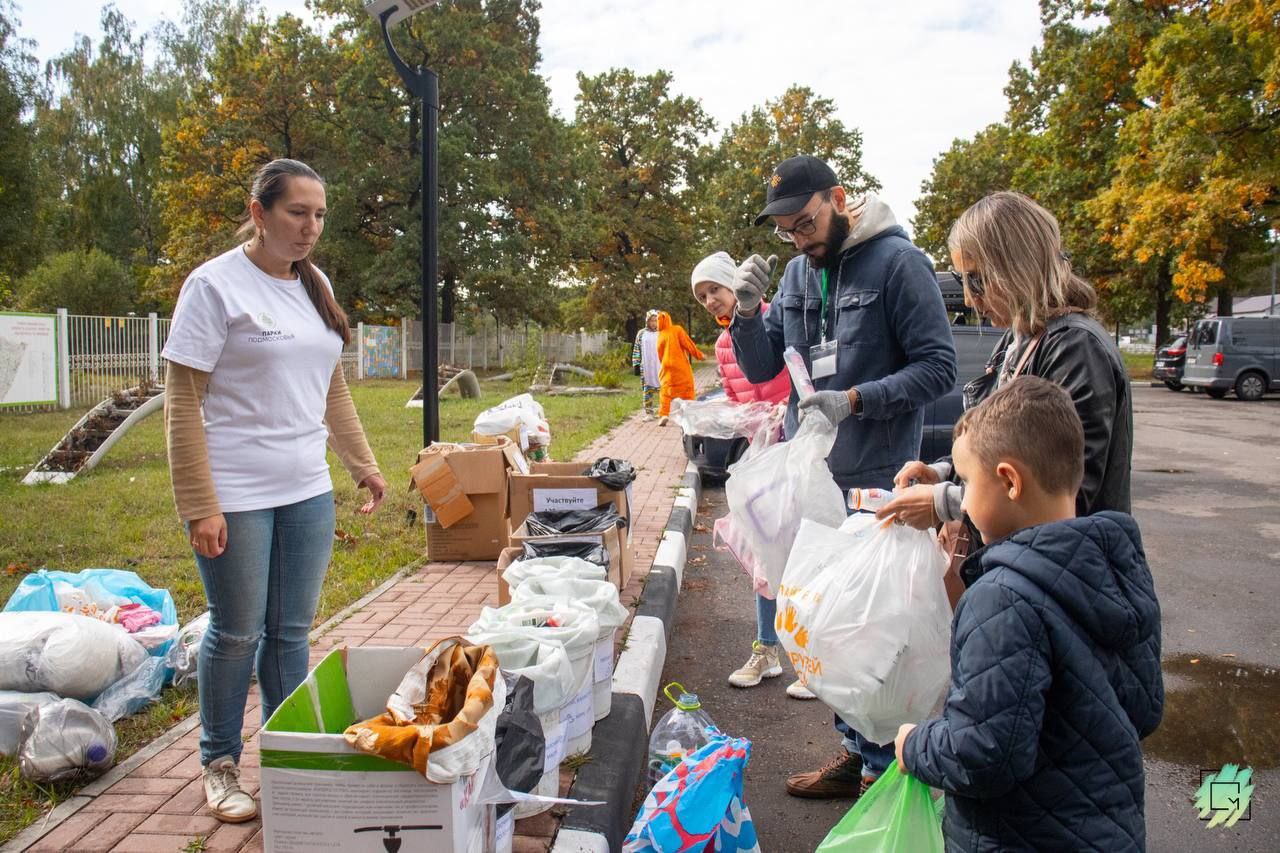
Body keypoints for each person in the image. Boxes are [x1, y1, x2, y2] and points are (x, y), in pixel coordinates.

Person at [162, 158, 387, 823]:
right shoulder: (213, 286)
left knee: (289, 633)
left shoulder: (315, 283)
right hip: (235, 491)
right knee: (236, 632)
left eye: (319, 215)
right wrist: (199, 504)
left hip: (306, 489)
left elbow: (330, 386)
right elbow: (182, 402)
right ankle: (219, 762)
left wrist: (362, 464)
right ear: (259, 213)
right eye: (297, 212)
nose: (311, 226)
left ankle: (293, 757)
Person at [729, 155, 956, 799]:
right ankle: (857, 755)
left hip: (882, 485)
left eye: (805, 223)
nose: (799, 239)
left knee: (877, 640)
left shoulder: (898, 264)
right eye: (787, 232)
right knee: (827, 633)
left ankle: (887, 771)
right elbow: (763, 367)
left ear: (838, 198)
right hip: (818, 488)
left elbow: (939, 367)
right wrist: (746, 314)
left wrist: (856, 400)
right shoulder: (799, 273)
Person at [895, 376, 1163, 851]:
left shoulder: (1000, 598)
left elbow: (983, 755)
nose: (962, 501)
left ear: (1009, 481)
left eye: (967, 483)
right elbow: (1144, 709)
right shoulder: (1114, 570)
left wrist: (914, 745)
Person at [877, 192, 1132, 576]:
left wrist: (944, 502)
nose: (969, 299)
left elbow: (1062, 493)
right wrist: (947, 471)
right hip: (1031, 571)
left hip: (1066, 581)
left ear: (1016, 265)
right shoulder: (1021, 338)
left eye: (976, 280)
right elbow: (1001, 449)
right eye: (963, 280)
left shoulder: (1076, 348)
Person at [689, 251, 811, 697]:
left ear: (735, 285)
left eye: (714, 290)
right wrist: (720, 417)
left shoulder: (778, 318)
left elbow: (799, 374)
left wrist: (786, 412)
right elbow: (738, 398)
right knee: (764, 552)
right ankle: (767, 650)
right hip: (761, 457)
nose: (710, 301)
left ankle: (811, 661)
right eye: (702, 296)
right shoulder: (723, 345)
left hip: (797, 451)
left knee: (803, 555)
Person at [655, 309, 704, 425]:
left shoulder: (660, 335)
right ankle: (689, 412)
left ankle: (664, 414)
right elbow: (687, 344)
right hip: (680, 365)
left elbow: (659, 353)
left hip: (666, 367)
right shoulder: (677, 329)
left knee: (665, 392)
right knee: (687, 388)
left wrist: (664, 363)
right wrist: (699, 355)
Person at [631, 310, 661, 420]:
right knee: (647, 390)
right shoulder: (641, 333)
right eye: (651, 320)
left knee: (663, 390)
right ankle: (649, 413)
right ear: (647, 321)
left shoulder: (662, 332)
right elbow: (636, 349)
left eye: (655, 320)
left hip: (660, 366)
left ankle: (663, 411)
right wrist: (636, 363)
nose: (653, 323)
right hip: (646, 367)